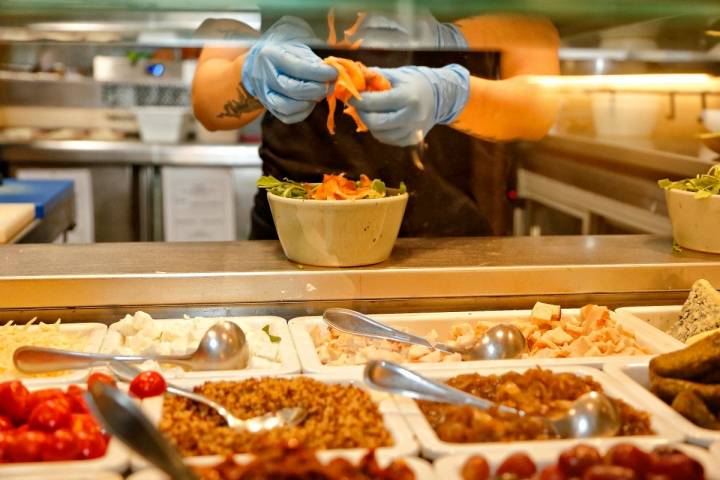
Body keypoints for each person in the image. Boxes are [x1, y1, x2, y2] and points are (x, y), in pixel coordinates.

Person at [193, 9, 559, 239]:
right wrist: (250, 76)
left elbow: (540, 106)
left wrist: (451, 95)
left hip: (449, 242)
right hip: (295, 237)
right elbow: (209, 103)